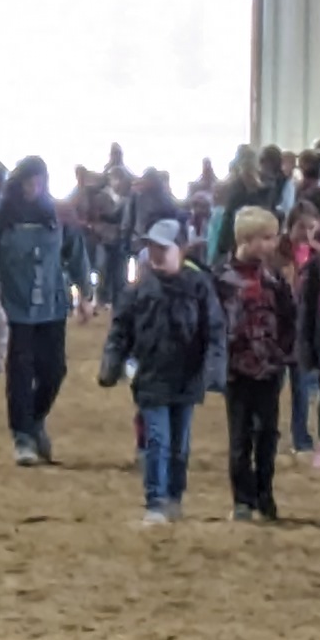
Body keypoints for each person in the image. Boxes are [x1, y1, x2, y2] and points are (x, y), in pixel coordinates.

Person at [99, 217, 222, 529]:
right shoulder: (138, 290)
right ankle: (155, 502)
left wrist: (213, 370)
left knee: (179, 445)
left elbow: (215, 331)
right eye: (152, 247)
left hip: (187, 378)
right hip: (151, 377)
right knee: (157, 440)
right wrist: (111, 364)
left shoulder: (199, 286)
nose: (155, 254)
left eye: (162, 248)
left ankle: (174, 497)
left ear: (180, 250)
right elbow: (120, 331)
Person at [0, 156, 72, 462]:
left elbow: (74, 249)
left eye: (39, 181)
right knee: (20, 372)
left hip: (53, 304)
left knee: (55, 370)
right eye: (28, 181)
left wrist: (88, 293)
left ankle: (35, 419)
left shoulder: (55, 212)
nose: (33, 187)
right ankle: (22, 436)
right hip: (16, 306)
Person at [218, 206, 294, 521]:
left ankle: (265, 494)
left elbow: (289, 316)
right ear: (247, 240)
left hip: (270, 366)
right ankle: (243, 499)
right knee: (240, 435)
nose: (273, 243)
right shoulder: (222, 279)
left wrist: (285, 351)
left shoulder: (274, 278)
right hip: (236, 368)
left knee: (268, 434)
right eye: (267, 237)